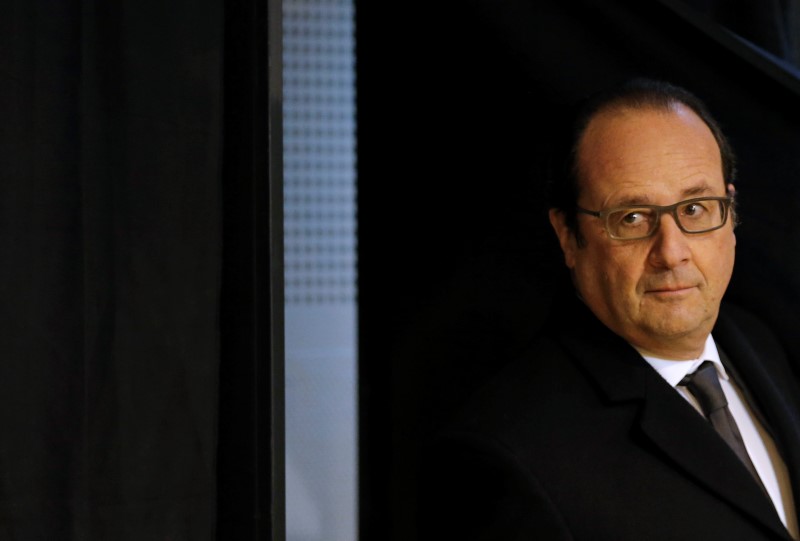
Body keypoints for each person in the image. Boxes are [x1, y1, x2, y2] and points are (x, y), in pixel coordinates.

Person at [418, 79, 800, 540]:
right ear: (567, 236)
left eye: (696, 209)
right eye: (632, 218)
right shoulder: (506, 456)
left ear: (730, 214)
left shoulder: (761, 345)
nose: (672, 252)